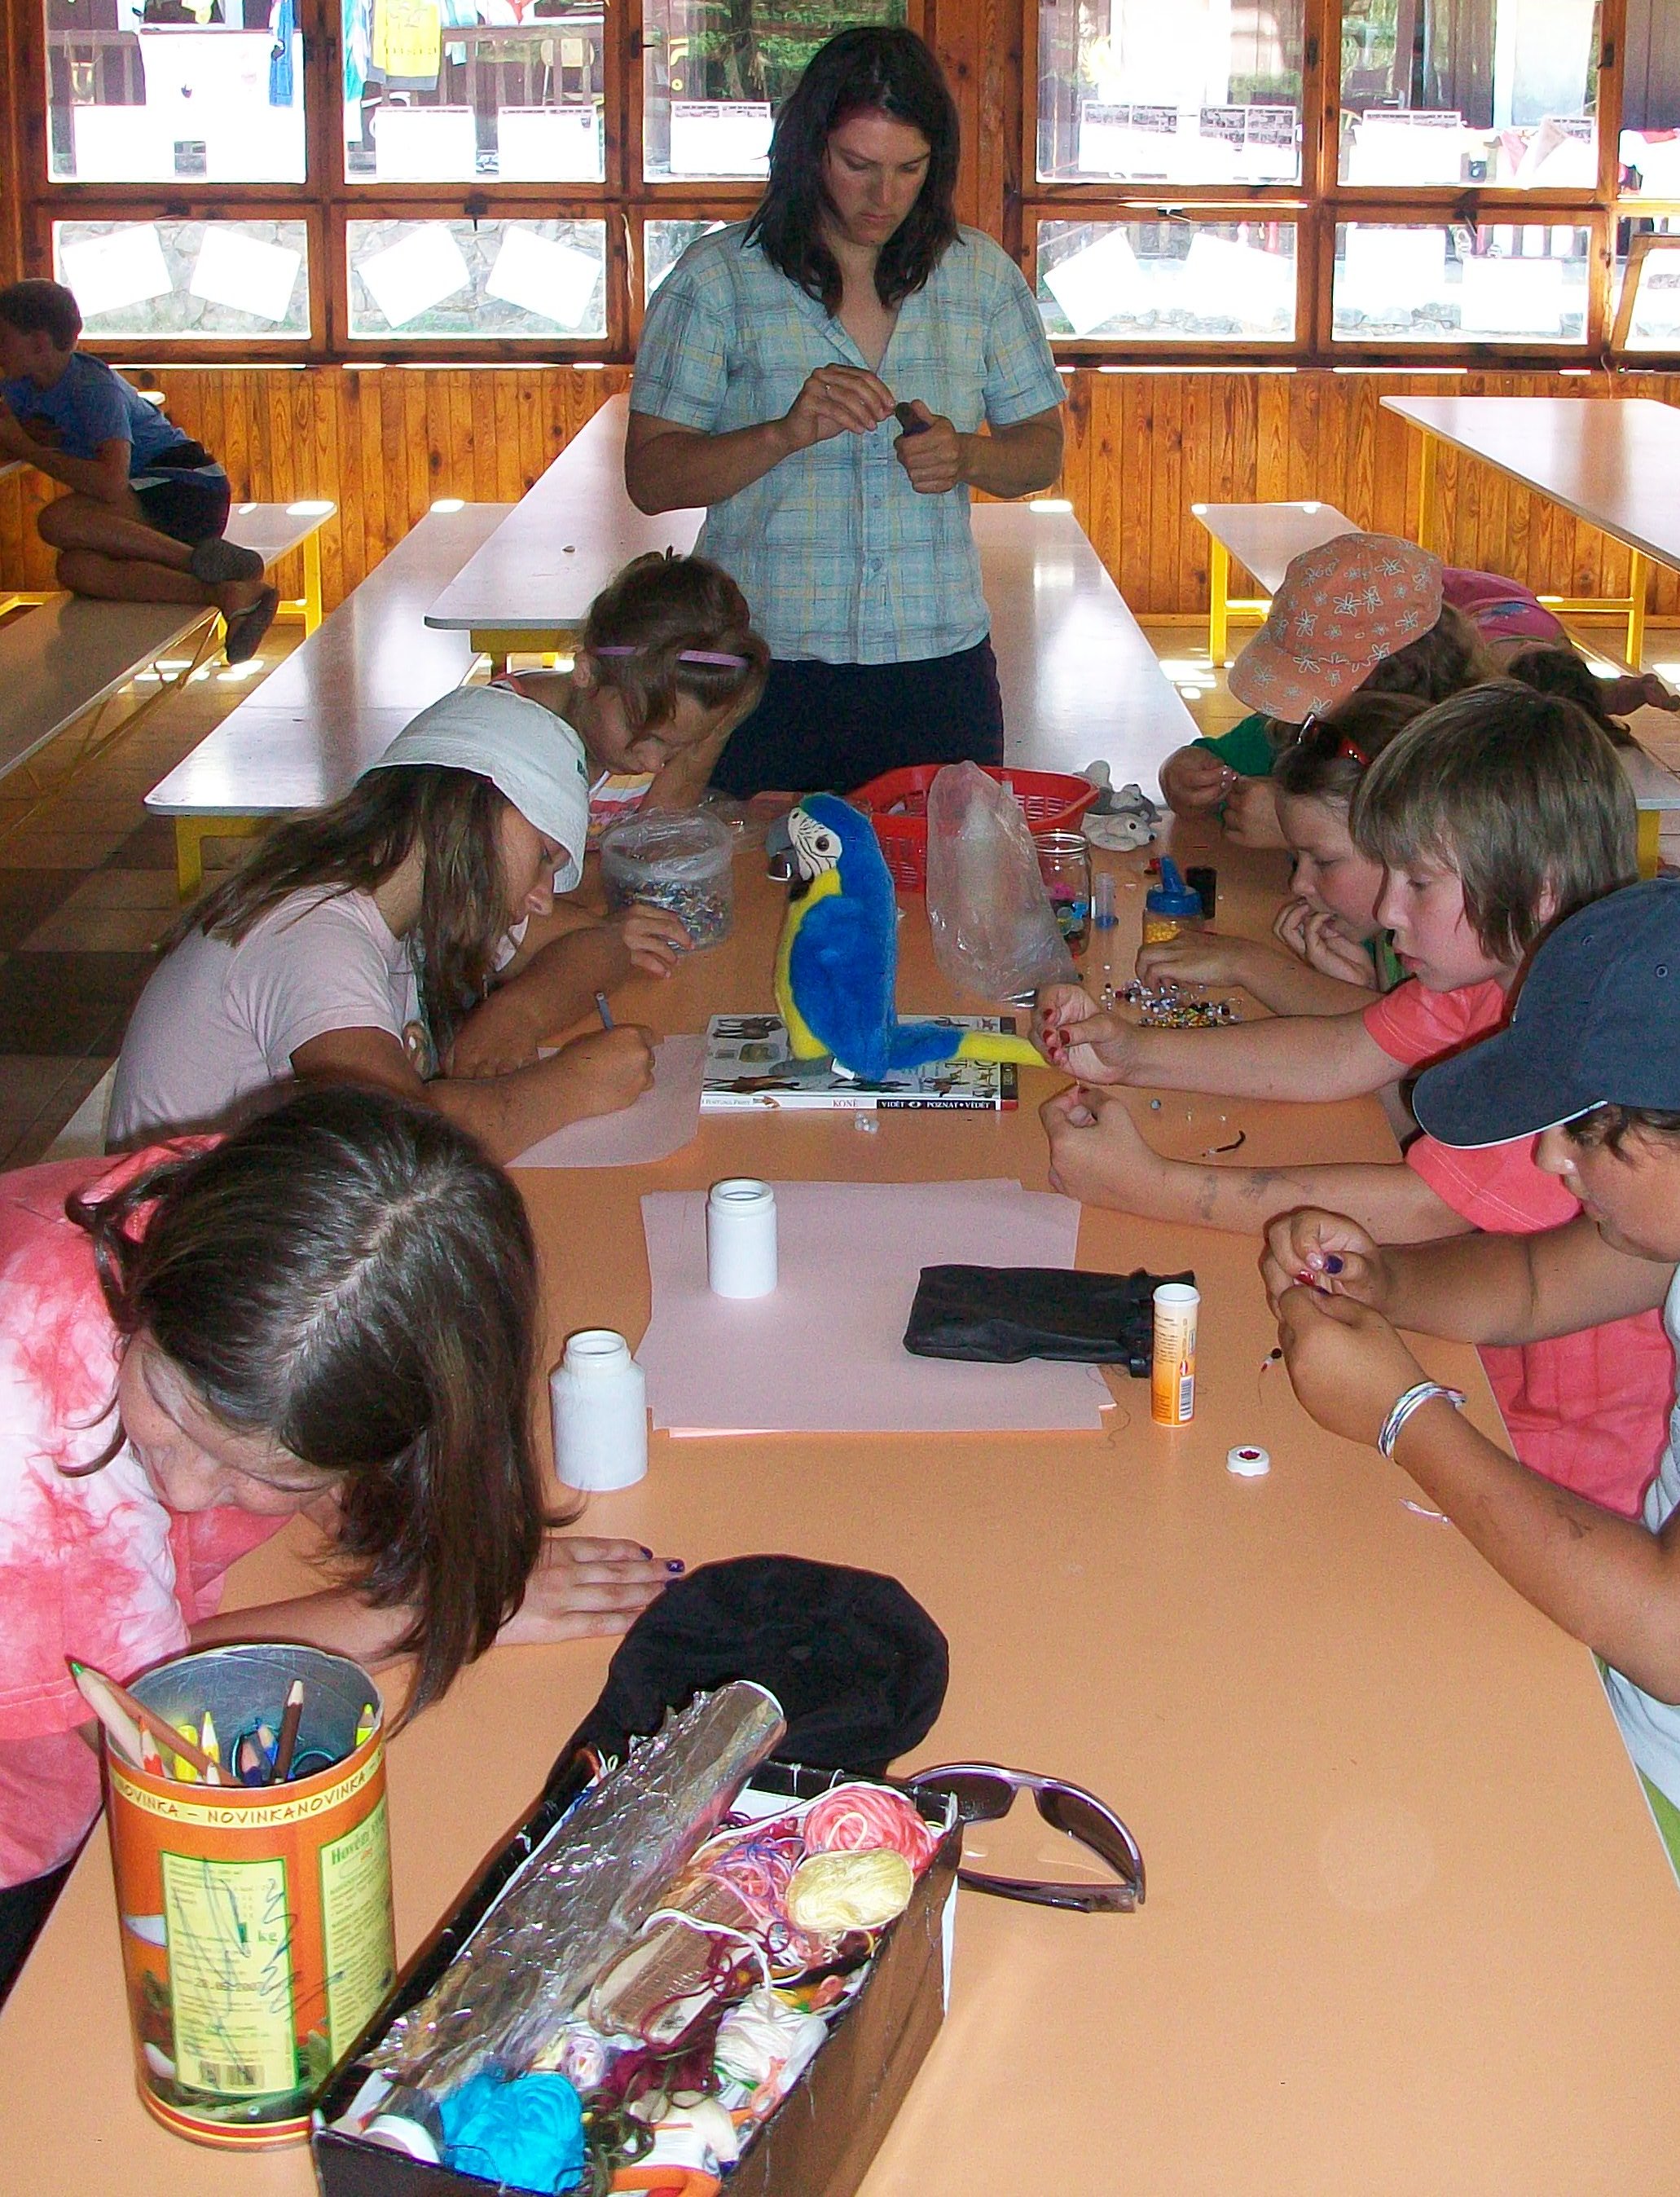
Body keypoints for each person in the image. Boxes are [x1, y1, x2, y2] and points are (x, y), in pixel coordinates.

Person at [0, 1086, 675, 1998]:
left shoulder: (271, 1226)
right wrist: (424, 1608)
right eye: (170, 1409)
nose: (186, 1491)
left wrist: (417, 1545)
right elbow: (144, 1715)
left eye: (268, 1474)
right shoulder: (29, 1408)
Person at [1040, 680, 1669, 1517]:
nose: (1387, 910)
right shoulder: (1488, 980)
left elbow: (1425, 1205)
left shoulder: (1588, 1049)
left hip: (1584, 1464)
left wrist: (1150, 1184)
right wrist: (1133, 1053)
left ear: (1536, 889)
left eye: (1418, 883)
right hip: (1493, 1383)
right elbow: (1342, 1050)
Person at [1260, 877, 1680, 1868]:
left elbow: (1668, 1635)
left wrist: (1403, 1414)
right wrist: (1384, 1278)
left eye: (1584, 1128)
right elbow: (1533, 1284)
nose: (1548, 1158)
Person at [625, 26, 1064, 797]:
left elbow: (1042, 452)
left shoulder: (982, 277)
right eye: (857, 165)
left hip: (937, 666)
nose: (883, 197)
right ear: (808, 151)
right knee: (757, 867)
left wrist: (968, 456)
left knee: (937, 865)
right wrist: (782, 434)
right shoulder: (716, 280)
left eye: (909, 169)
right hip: (761, 668)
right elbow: (651, 479)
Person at [108, 685, 661, 1159]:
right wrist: (572, 1086)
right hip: (191, 1238)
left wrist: (520, 1012)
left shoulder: (423, 901)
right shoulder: (312, 932)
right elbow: (400, 1144)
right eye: (542, 857)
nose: (542, 900)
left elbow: (600, 948)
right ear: (464, 802)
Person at [0, 279, 277, 663]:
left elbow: (111, 483)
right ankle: (228, 592)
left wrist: (27, 447)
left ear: (39, 344)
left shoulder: (92, 387)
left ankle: (196, 560)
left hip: (189, 487)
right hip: (147, 495)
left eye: (3, 338)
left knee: (56, 522)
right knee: (76, 568)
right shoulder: (21, 386)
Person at [1158, 535, 1494, 847]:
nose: (1304, 709)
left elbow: (1440, 852)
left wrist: (1295, 825)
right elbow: (1224, 760)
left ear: (1401, 672)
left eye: (1313, 682)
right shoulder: (1294, 727)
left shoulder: (1465, 757)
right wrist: (1183, 773)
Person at [1134, 691, 1425, 1015]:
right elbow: (1387, 1029)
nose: (1298, 885)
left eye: (1324, 862)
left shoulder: (1447, 951)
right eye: (1296, 859)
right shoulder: (1393, 938)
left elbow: (1395, 1034)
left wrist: (1246, 963)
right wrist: (1353, 993)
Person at [492, 551, 769, 839]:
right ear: (587, 671)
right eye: (646, 735)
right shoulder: (502, 737)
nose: (654, 765)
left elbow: (653, 841)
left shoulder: (679, 721)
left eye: (680, 746)